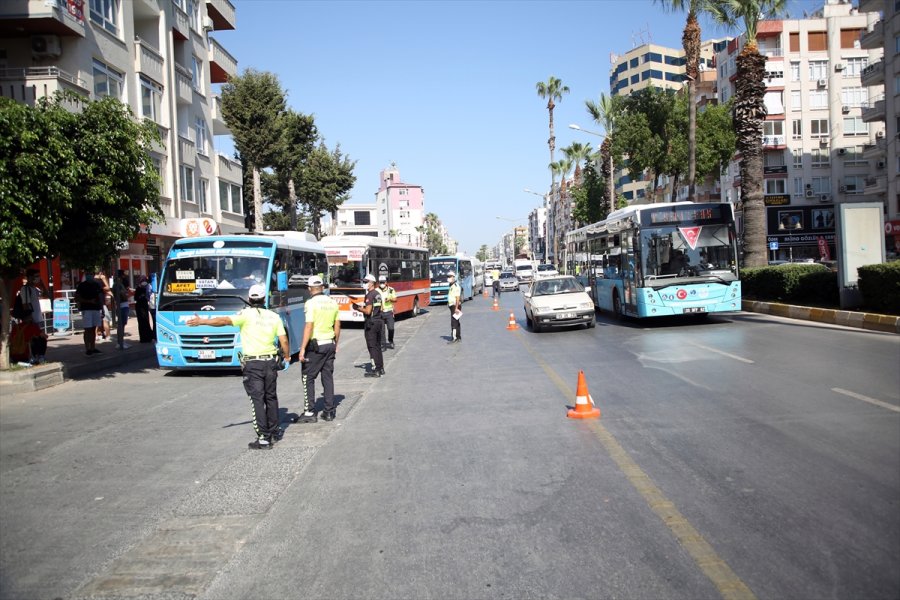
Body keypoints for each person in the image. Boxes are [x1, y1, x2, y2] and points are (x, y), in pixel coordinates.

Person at [186, 284, 290, 450]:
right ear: (264, 299)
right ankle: (275, 430)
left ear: (249, 299)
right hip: (270, 362)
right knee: (271, 397)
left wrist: (202, 321)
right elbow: (283, 340)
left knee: (257, 398)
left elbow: (224, 321)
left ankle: (263, 438)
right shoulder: (273, 316)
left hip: (253, 363)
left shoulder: (244, 314)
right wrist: (286, 356)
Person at [292, 276, 341, 423]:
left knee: (308, 377)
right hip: (330, 344)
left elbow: (309, 326)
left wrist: (302, 349)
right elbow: (337, 325)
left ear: (309, 289)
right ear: (322, 287)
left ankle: (309, 412)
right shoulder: (333, 302)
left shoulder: (310, 303)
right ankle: (329, 411)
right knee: (327, 377)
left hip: (316, 346)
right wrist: (335, 343)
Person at [351, 273, 384, 377]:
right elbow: (379, 308)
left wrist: (357, 308)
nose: (364, 284)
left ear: (372, 283)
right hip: (379, 321)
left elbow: (368, 311)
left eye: (366, 282)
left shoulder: (370, 294)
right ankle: (380, 367)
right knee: (378, 346)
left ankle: (376, 370)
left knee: (372, 347)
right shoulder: (377, 294)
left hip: (372, 323)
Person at [74, 272, 104, 356]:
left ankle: (93, 347)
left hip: (96, 309)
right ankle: (87, 348)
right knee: (87, 329)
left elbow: (100, 295)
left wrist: (101, 307)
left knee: (93, 328)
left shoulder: (96, 284)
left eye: (91, 274)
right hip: (86, 309)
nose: (89, 276)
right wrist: (88, 301)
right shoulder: (82, 285)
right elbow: (77, 297)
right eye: (88, 274)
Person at [112, 272, 131, 350]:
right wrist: (127, 294)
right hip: (122, 306)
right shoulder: (118, 285)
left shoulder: (117, 285)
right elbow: (123, 294)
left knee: (122, 325)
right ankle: (120, 342)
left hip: (122, 305)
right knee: (121, 325)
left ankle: (121, 342)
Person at [378, 275, 397, 350]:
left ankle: (391, 340)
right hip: (380, 312)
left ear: (386, 282)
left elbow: (395, 299)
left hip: (389, 311)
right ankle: (383, 344)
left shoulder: (391, 290)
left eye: (383, 282)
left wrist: (390, 299)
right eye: (380, 282)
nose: (382, 284)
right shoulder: (376, 290)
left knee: (391, 328)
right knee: (382, 330)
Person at [133, 276, 153, 343]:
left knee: (145, 322)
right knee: (143, 322)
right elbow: (136, 298)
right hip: (141, 307)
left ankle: (147, 337)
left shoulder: (144, 288)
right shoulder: (139, 289)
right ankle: (145, 338)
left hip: (143, 306)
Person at [95, 270, 112, 341]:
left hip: (95, 303)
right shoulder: (99, 281)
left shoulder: (92, 281)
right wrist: (104, 279)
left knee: (96, 320)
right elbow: (107, 287)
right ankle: (108, 336)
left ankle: (97, 335)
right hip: (101, 303)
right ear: (100, 273)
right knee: (105, 320)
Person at [447, 270, 462, 344]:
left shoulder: (456, 286)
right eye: (448, 276)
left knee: (454, 322)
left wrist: (456, 308)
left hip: (455, 306)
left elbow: (457, 298)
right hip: (452, 306)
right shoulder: (451, 286)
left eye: (450, 276)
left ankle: (454, 338)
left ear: (453, 277)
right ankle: (458, 337)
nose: (448, 278)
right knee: (456, 321)